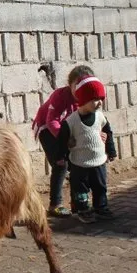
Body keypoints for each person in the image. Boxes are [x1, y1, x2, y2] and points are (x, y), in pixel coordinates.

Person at [32, 65, 95, 217]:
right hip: (47, 129)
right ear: (70, 84)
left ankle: (77, 202)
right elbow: (52, 120)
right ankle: (55, 204)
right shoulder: (60, 95)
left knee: (78, 163)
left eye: (85, 85)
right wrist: (65, 140)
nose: (80, 89)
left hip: (67, 131)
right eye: (77, 85)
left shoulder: (90, 99)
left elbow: (93, 120)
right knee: (61, 164)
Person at [55, 76, 117, 224]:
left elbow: (108, 132)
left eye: (101, 98)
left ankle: (101, 207)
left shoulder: (100, 116)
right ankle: (83, 210)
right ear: (83, 100)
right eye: (95, 99)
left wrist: (111, 150)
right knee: (80, 190)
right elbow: (62, 140)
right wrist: (60, 156)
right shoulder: (71, 121)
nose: (99, 103)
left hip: (99, 161)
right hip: (79, 163)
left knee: (100, 186)